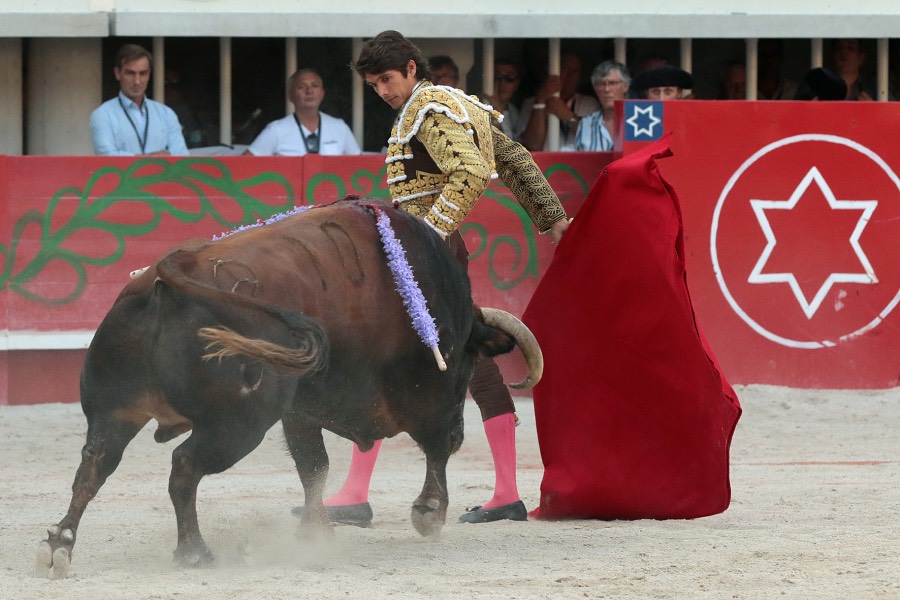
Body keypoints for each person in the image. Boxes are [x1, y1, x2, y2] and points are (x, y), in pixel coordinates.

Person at [294, 29, 569, 527]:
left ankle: (363, 491)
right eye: (374, 84)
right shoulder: (454, 104)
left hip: (420, 254)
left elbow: (469, 173)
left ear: (412, 70)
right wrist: (552, 219)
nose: (383, 91)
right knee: (447, 357)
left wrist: (427, 235)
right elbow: (512, 158)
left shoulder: (431, 109)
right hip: (422, 251)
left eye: (387, 80)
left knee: (384, 354)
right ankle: (501, 490)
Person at [90, 44, 189, 156]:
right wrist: (150, 159)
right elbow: (106, 156)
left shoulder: (167, 114)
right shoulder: (102, 115)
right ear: (118, 73)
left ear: (149, 74)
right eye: (130, 73)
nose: (137, 81)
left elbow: (181, 157)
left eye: (143, 73)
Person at [244, 68, 360, 156]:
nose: (309, 91)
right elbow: (243, 164)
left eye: (315, 86)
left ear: (322, 93)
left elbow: (361, 166)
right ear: (290, 96)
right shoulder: (276, 130)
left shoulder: (339, 127)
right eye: (301, 87)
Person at [520, 51, 600, 151]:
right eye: (565, 68)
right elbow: (532, 145)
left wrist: (569, 117)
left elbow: (596, 139)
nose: (570, 75)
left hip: (579, 165)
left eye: (575, 71)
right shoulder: (530, 103)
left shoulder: (589, 103)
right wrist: (540, 103)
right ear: (552, 69)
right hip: (545, 165)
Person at [574, 60, 630, 152]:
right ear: (595, 89)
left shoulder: (639, 121)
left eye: (612, 83)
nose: (607, 89)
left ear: (625, 86)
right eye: (601, 84)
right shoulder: (586, 123)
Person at [484, 58, 525, 140]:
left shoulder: (513, 111)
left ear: (516, 84)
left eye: (509, 78)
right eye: (497, 77)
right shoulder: (479, 106)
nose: (502, 83)